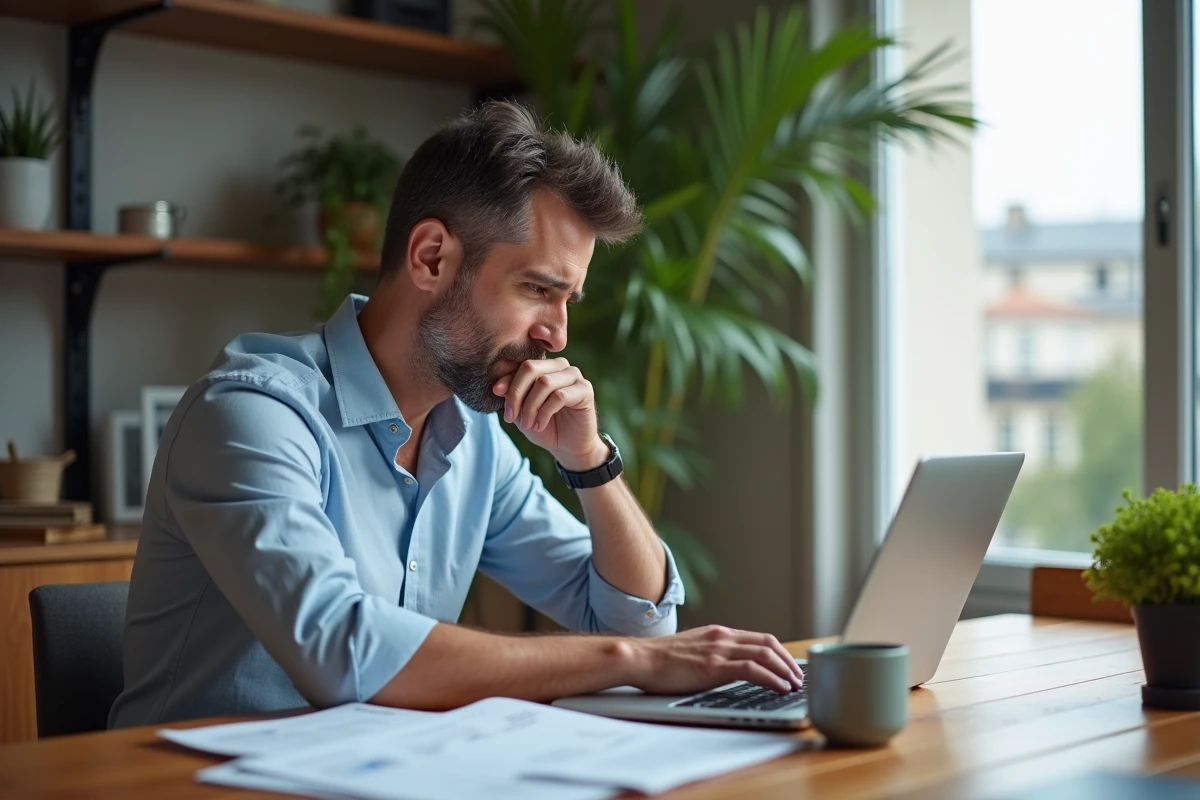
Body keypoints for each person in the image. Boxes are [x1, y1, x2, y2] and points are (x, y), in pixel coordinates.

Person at [108, 101, 803, 728]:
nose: (557, 335)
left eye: (569, 302)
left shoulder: (474, 444)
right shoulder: (254, 415)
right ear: (432, 257)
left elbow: (644, 623)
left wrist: (589, 462)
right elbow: (342, 650)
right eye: (538, 289)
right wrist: (624, 659)